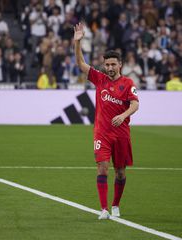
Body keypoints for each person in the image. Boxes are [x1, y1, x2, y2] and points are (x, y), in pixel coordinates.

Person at [74, 23, 139, 220]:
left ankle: (115, 204)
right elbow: (81, 64)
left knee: (120, 172)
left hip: (121, 133)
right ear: (104, 65)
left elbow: (135, 104)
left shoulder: (128, 84)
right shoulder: (100, 79)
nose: (110, 68)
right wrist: (77, 43)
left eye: (113, 64)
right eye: (107, 65)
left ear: (120, 65)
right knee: (102, 166)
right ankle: (103, 209)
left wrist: (123, 115)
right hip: (102, 132)